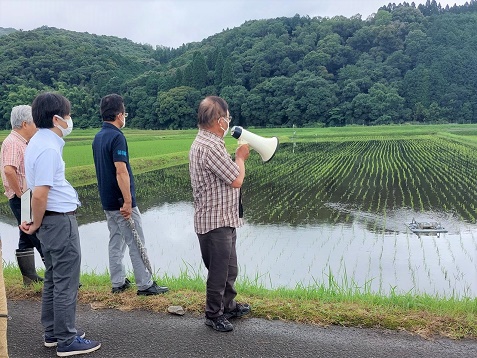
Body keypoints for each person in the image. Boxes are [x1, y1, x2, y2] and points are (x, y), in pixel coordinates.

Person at [20, 92, 101, 356]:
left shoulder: (40, 142)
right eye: (68, 116)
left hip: (52, 222)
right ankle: (67, 340)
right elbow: (40, 193)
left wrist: (37, 223)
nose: (70, 120)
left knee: (54, 279)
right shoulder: (47, 147)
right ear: (56, 118)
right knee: (66, 281)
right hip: (58, 222)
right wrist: (36, 222)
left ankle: (53, 333)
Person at [92, 93, 168, 296]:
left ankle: (117, 282)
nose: (125, 116)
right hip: (121, 202)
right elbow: (121, 170)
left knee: (115, 240)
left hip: (107, 201)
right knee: (136, 241)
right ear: (119, 115)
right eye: (124, 113)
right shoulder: (117, 137)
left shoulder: (98, 137)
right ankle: (145, 284)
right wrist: (127, 201)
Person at [189, 96, 251, 332]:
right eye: (228, 118)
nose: (229, 122)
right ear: (219, 120)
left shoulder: (206, 142)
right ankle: (213, 314)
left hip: (223, 218)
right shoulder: (211, 146)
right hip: (215, 221)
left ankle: (228, 305)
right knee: (219, 271)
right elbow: (236, 179)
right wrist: (240, 157)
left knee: (229, 268)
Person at [0, 105, 44, 285]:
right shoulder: (12, 143)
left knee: (25, 235)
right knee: (37, 232)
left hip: (25, 196)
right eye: (35, 122)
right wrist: (21, 194)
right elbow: (9, 170)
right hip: (22, 198)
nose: (37, 126)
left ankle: (29, 277)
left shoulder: (22, 142)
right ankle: (58, 274)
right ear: (25, 124)